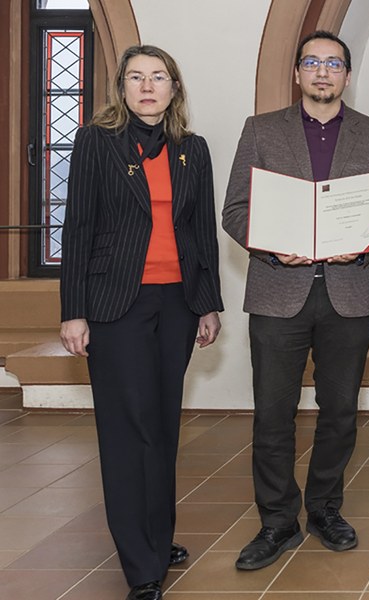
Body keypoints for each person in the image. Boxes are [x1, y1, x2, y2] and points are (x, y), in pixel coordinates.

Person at [221, 30, 369, 570]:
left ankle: (325, 508)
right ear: (297, 73)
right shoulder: (260, 131)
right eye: (312, 62)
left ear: (348, 76)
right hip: (278, 290)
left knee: (339, 414)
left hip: (348, 291)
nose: (323, 72)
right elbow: (235, 210)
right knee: (273, 415)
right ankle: (277, 521)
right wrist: (276, 248)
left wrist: (367, 237)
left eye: (334, 64)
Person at [59, 45, 223, 600]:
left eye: (158, 77)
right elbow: (77, 227)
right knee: (129, 431)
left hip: (176, 303)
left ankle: (158, 534)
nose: (147, 86)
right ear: (121, 88)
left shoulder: (192, 151)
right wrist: (73, 310)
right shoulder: (95, 143)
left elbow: (202, 232)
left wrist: (208, 303)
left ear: (173, 88)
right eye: (136, 77)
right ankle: (141, 565)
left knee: (165, 424)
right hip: (115, 305)